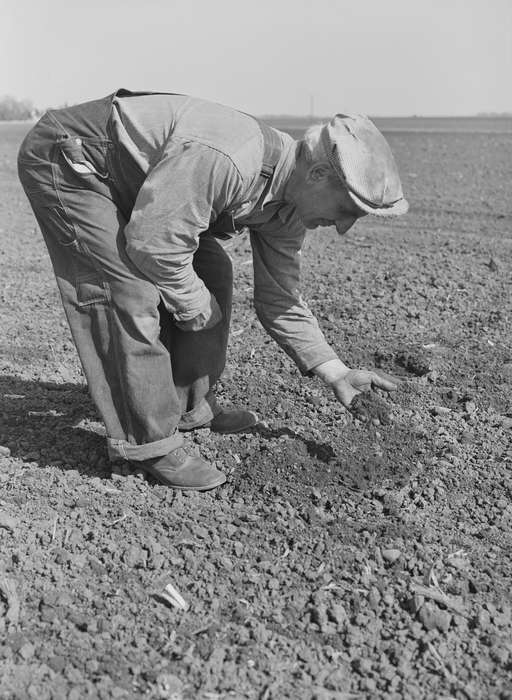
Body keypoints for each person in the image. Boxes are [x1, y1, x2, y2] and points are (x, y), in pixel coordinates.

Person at [17, 89, 408, 491]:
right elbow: (154, 244)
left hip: (148, 185)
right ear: (319, 175)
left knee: (213, 270)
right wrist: (191, 302)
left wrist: (336, 372)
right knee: (125, 289)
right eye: (347, 210)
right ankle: (148, 444)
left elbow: (280, 298)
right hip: (75, 161)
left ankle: (190, 406)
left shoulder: (290, 208)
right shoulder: (229, 158)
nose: (344, 227)